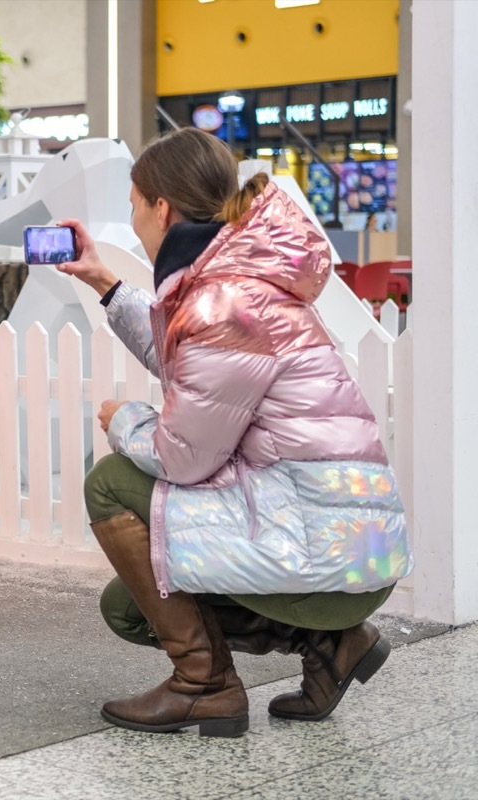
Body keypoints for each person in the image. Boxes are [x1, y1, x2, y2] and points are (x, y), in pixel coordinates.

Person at [55, 128, 411, 737]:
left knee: (111, 483)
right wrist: (105, 284)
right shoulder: (236, 282)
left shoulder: (223, 299)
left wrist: (126, 420)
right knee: (129, 605)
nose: (132, 215)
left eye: (135, 201)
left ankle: (205, 686)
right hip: (350, 547)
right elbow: (189, 360)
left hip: (326, 552)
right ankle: (332, 646)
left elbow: (183, 457)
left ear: (160, 206)